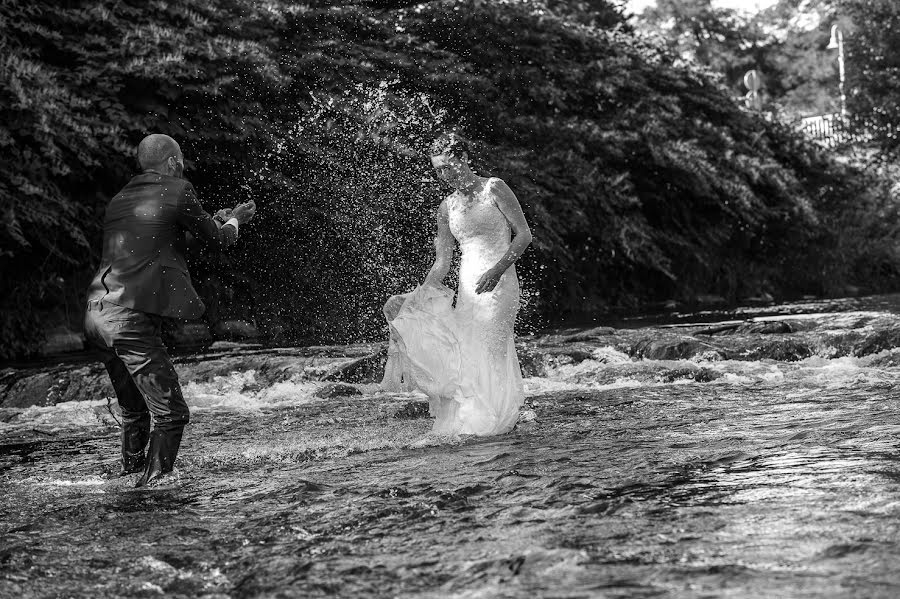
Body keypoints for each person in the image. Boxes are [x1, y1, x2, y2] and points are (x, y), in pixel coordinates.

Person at [84, 133, 256, 487]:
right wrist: (234, 220)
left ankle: (130, 479)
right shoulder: (177, 189)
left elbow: (167, 240)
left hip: (95, 315)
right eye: (181, 162)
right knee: (172, 414)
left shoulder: (120, 199)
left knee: (135, 412)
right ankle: (153, 490)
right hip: (127, 317)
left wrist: (213, 219)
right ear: (173, 163)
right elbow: (218, 240)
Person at [382, 133, 533, 436]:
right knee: (468, 351)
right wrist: (417, 295)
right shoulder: (446, 207)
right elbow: (442, 263)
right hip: (468, 290)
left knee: (489, 348)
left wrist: (496, 270)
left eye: (448, 167)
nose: (444, 175)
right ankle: (480, 416)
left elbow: (524, 235)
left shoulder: (495, 188)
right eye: (438, 170)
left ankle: (494, 419)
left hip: (500, 286)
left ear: (464, 158)